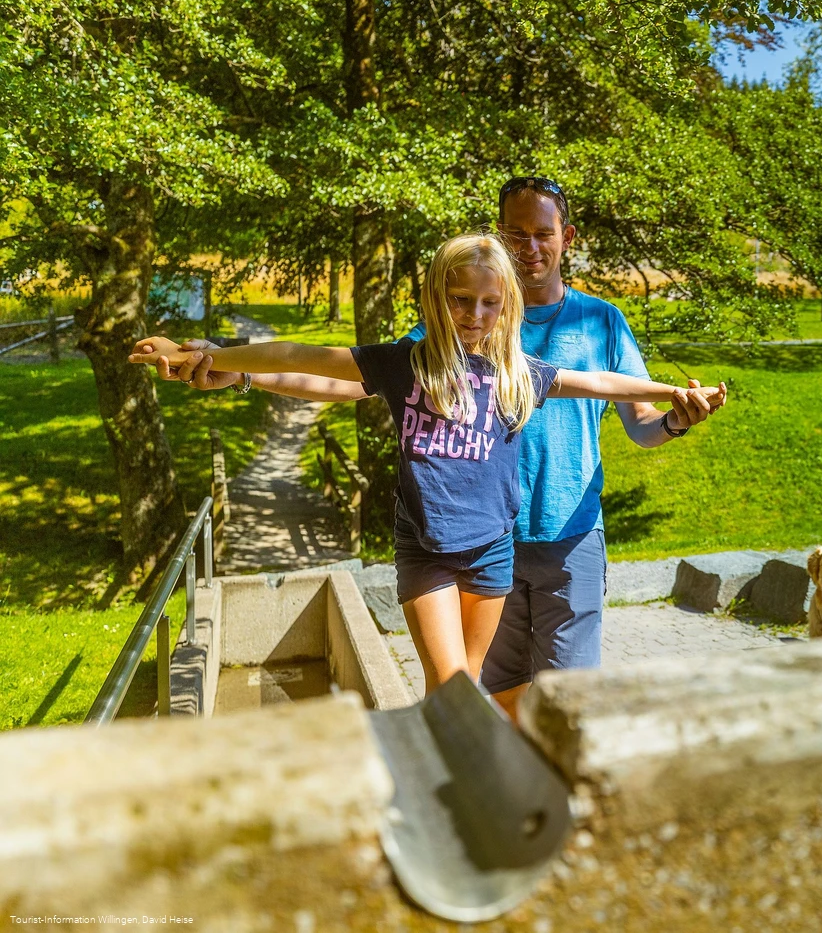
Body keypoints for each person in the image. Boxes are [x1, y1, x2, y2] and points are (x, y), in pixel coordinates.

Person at [155, 177, 723, 719]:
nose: (529, 247)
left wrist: (675, 404)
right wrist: (230, 365)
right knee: (479, 691)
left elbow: (619, 401)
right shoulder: (428, 350)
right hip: (449, 541)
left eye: (543, 233)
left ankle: (528, 794)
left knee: (563, 697)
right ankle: (488, 790)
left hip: (559, 541)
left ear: (564, 238)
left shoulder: (581, 333)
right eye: (516, 234)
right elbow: (325, 370)